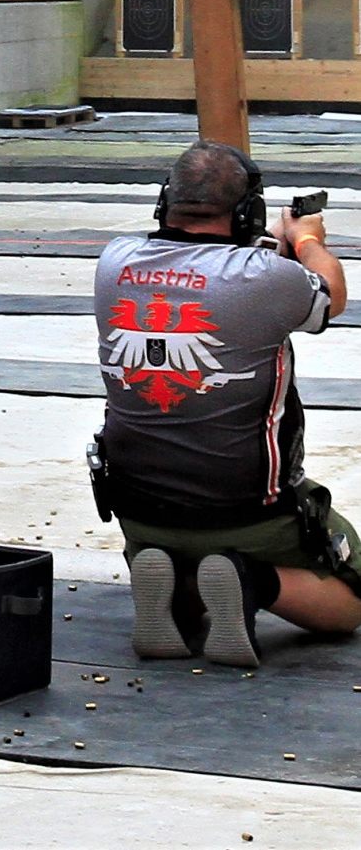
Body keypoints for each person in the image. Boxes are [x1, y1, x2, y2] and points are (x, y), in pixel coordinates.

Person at [92, 139, 360, 668]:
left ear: (166, 201)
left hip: (140, 507)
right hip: (249, 512)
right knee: (351, 599)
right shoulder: (267, 278)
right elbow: (330, 293)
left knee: (182, 553)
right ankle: (249, 580)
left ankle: (172, 579)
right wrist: (306, 241)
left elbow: (211, 280)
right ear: (247, 212)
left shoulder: (113, 261)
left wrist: (271, 254)